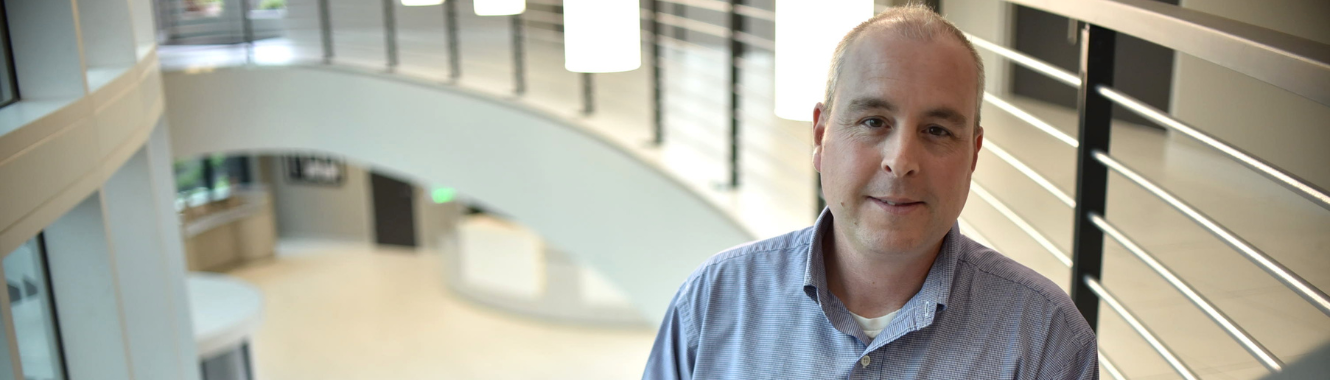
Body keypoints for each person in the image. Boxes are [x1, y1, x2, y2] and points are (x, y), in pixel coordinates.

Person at [642, 5, 1098, 379]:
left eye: (937, 130)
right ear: (821, 136)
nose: (901, 161)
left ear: (973, 156)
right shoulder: (713, 302)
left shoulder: (1046, 340)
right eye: (873, 121)